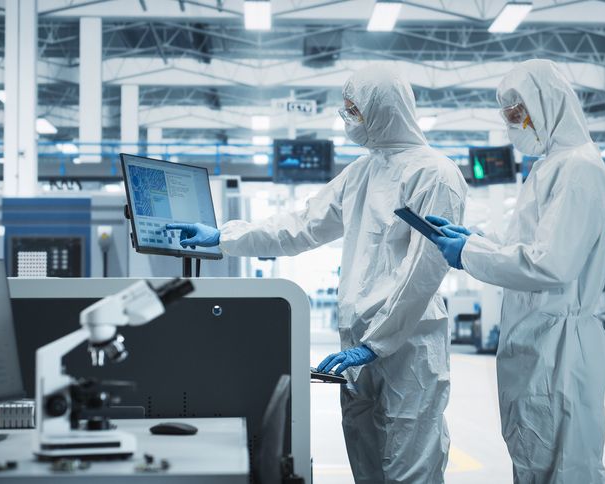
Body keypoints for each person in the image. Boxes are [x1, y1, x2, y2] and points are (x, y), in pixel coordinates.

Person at [167, 65, 467, 484]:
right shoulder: (362, 173)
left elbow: (424, 270)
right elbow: (302, 225)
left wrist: (378, 342)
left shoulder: (434, 174)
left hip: (407, 345)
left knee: (410, 469)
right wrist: (224, 237)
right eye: (347, 109)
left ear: (383, 109)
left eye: (354, 110)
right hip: (356, 344)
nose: (348, 118)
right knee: (366, 467)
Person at [427, 59, 605, 483]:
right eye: (508, 117)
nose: (513, 126)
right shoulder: (551, 166)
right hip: (537, 340)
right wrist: (473, 239)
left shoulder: (579, 168)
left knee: (567, 469)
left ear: (546, 104)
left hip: (560, 349)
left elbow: (552, 263)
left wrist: (468, 255)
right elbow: (525, 244)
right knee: (536, 462)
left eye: (518, 114)